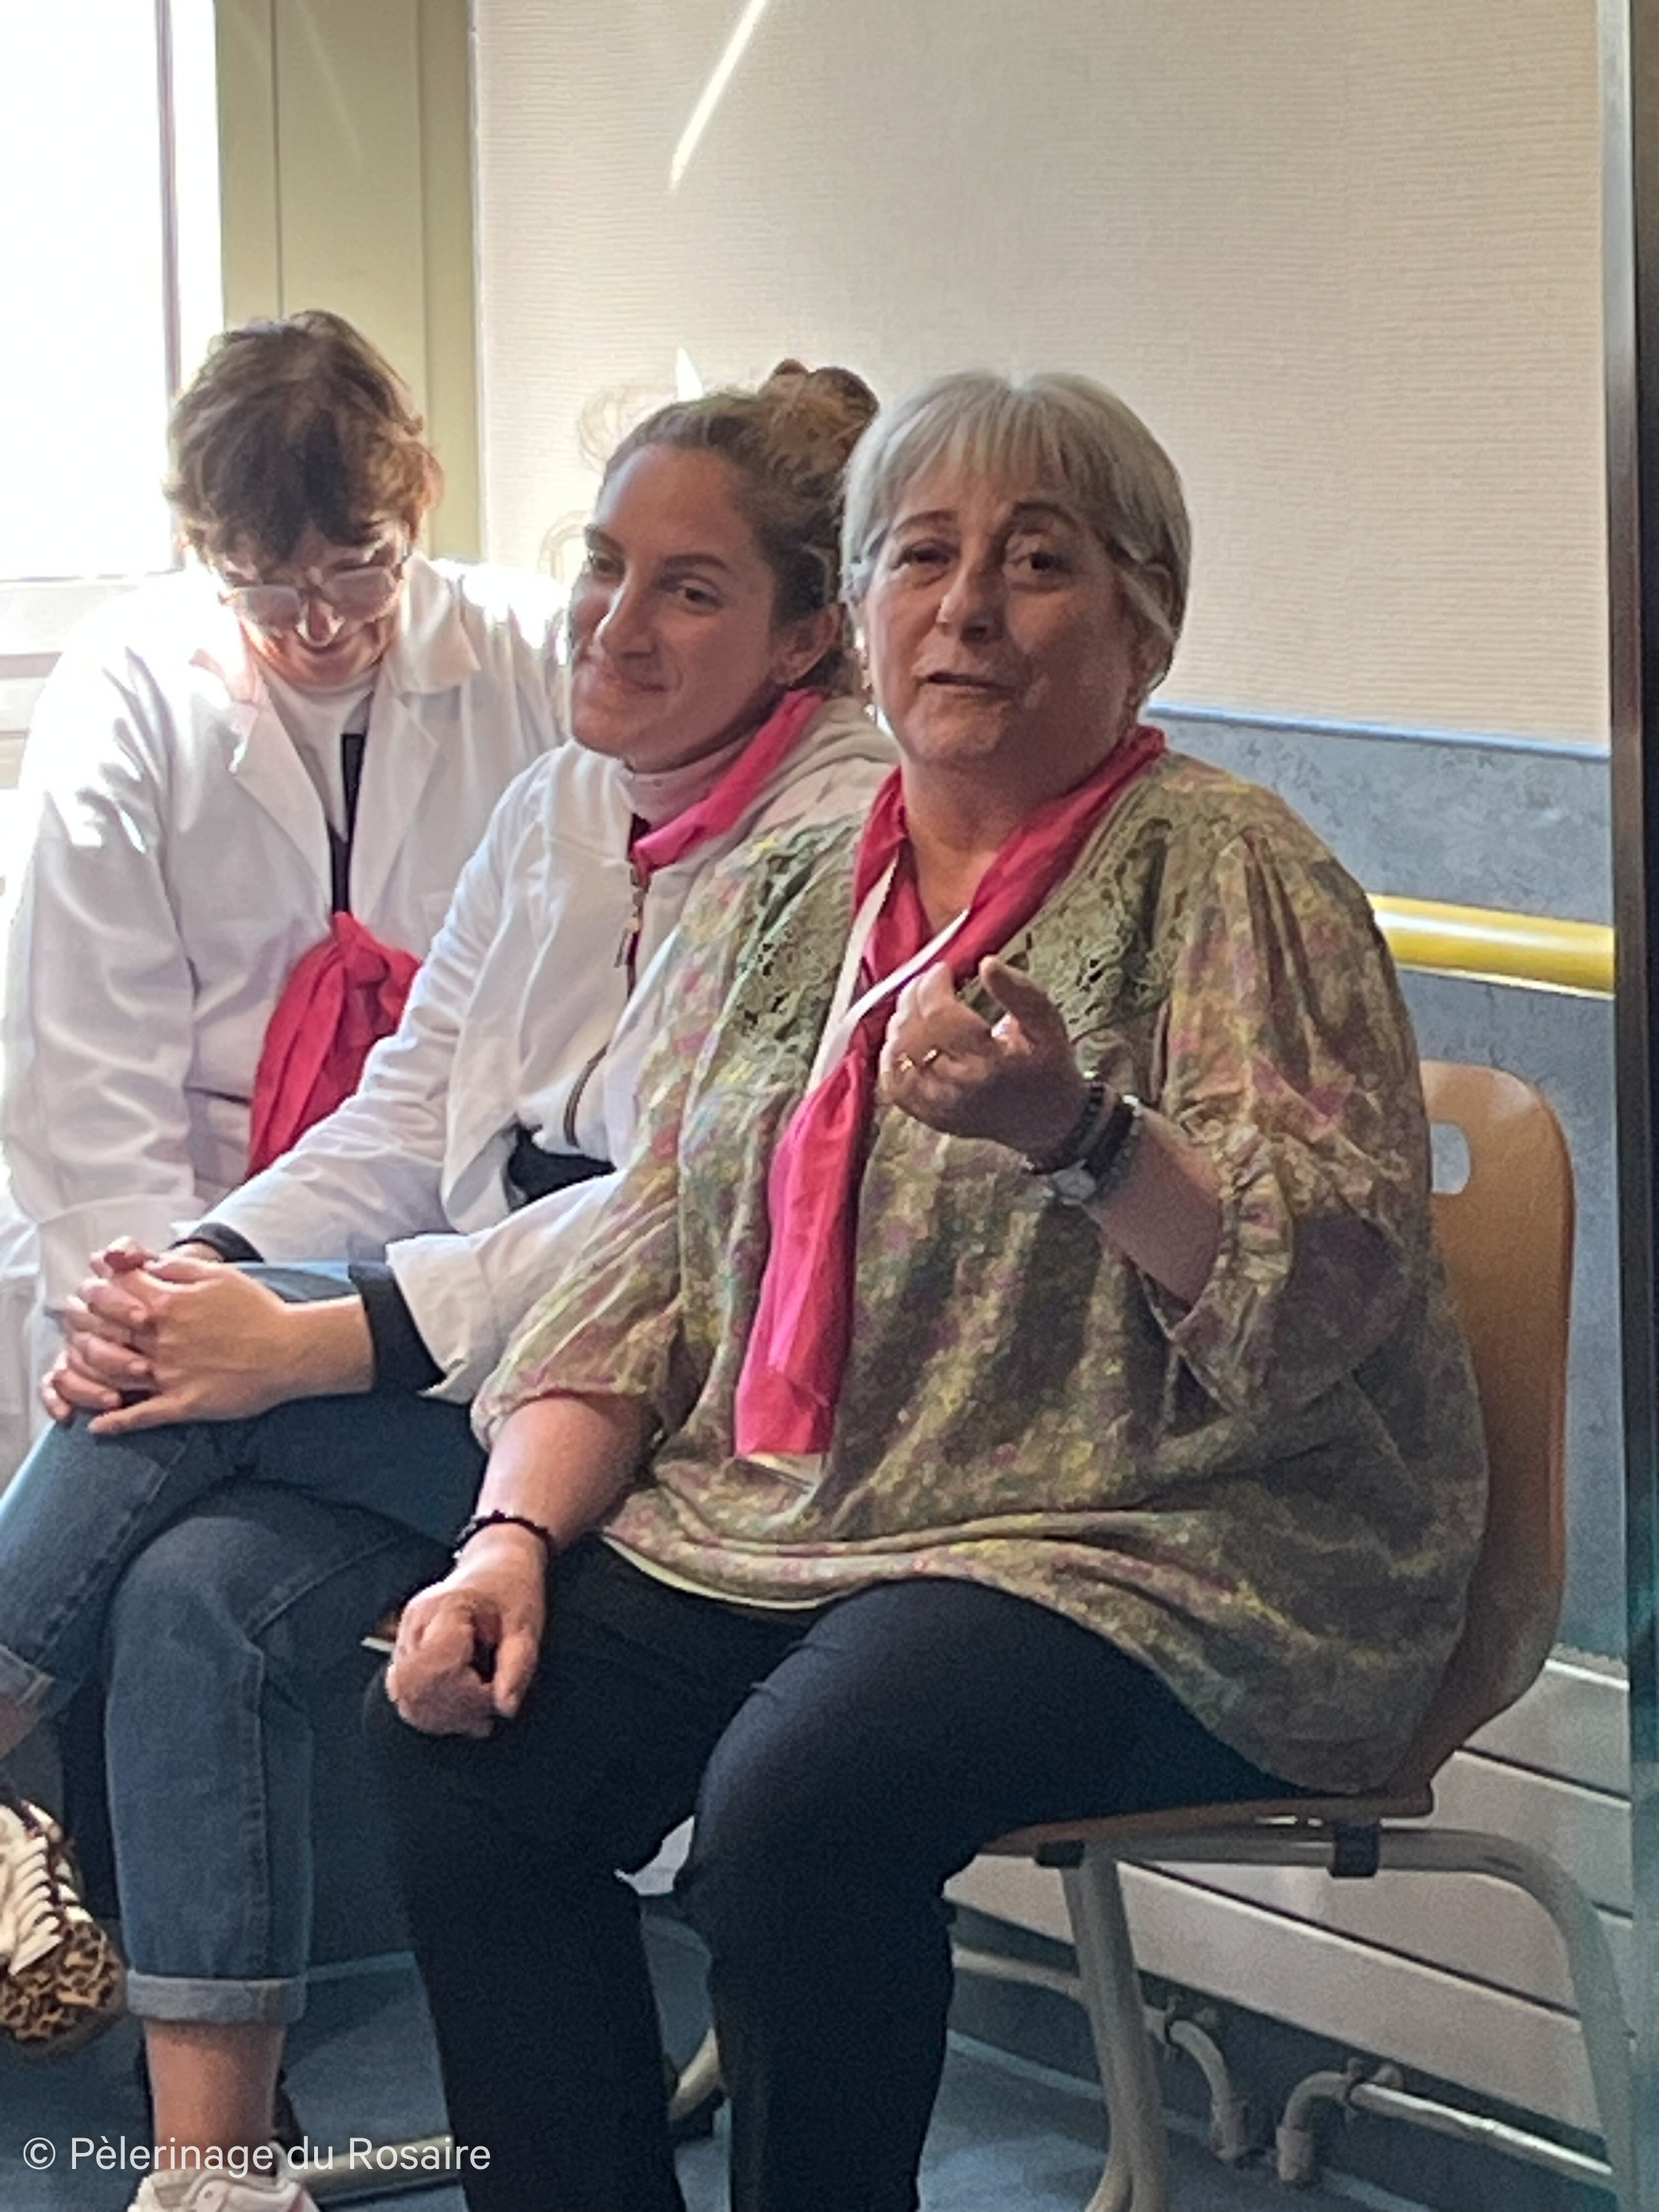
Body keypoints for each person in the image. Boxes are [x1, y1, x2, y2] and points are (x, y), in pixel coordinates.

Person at [375, 369, 1489, 2212]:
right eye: (922, 557)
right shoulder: (788, 890)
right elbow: (652, 1256)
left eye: (1036, 562)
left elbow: (1329, 1292)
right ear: (861, 609)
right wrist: (504, 1545)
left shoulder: (1237, 874)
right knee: (464, 1749)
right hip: (801, 1517)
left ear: (1145, 623)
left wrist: (1084, 1135)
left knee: (798, 1807)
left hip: (1159, 1543)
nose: (967, 607)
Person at [0, 363, 890, 2212]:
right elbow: (412, 1111)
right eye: (604, 565)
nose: (614, 624)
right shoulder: (568, 798)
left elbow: (682, 1220)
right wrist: (206, 1268)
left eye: (690, 590)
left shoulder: (843, 841)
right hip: (491, 1369)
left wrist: (320, 1335)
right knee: (194, 1587)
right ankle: (214, 2181)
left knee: (175, 1424)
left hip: (691, 1417)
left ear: (808, 634)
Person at [0, 310, 562, 1482]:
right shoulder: (128, 693)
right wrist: (143, 1314)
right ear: (203, 549)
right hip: (190, 1193)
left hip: (443, 1205)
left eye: (361, 566)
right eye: (264, 588)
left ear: (419, 502)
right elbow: (86, 1068)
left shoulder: (536, 656)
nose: (319, 624)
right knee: (129, 1445)